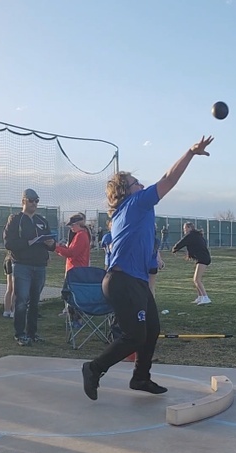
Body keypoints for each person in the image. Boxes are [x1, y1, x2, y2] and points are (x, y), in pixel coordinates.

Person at [82, 135, 214, 401]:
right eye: (136, 183)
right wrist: (190, 152)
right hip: (123, 281)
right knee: (134, 336)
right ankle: (94, 368)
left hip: (134, 281)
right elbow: (169, 179)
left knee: (151, 329)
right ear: (125, 191)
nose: (141, 185)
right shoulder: (136, 203)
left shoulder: (128, 209)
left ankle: (140, 377)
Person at [4, 188, 56, 346]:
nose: (34, 203)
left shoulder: (42, 220)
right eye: (31, 200)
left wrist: (51, 244)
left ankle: (32, 333)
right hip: (22, 265)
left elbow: (51, 245)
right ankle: (20, 334)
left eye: (36, 201)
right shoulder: (15, 219)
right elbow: (8, 243)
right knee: (21, 301)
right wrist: (28, 242)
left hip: (39, 266)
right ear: (23, 201)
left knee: (35, 301)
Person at [172, 222, 212, 305]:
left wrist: (175, 249)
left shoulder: (191, 235)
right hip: (202, 258)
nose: (184, 230)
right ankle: (200, 297)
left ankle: (206, 297)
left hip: (203, 259)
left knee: (197, 279)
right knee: (196, 279)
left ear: (190, 228)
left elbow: (181, 242)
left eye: (185, 228)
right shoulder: (197, 235)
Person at [148, 227, 164, 297]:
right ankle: (151, 302)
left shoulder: (144, 240)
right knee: (151, 287)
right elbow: (156, 252)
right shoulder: (156, 241)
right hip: (153, 265)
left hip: (144, 265)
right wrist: (160, 261)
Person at [3, 251, 15, 318]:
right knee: (14, 289)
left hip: (8, 259)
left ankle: (7, 311)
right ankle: (13, 311)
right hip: (13, 261)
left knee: (9, 288)